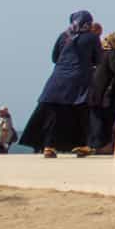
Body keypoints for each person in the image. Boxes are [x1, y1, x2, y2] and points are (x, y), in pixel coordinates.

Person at [21, 10, 100, 157]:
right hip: (80, 79)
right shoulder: (92, 38)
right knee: (81, 112)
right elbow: (98, 59)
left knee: (55, 114)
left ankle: (49, 146)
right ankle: (82, 145)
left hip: (58, 79)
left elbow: (54, 57)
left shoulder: (64, 36)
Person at [89, 31, 115, 153]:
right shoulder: (112, 53)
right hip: (105, 92)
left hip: (95, 91)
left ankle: (94, 144)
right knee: (105, 119)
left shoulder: (101, 53)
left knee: (96, 118)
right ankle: (102, 145)